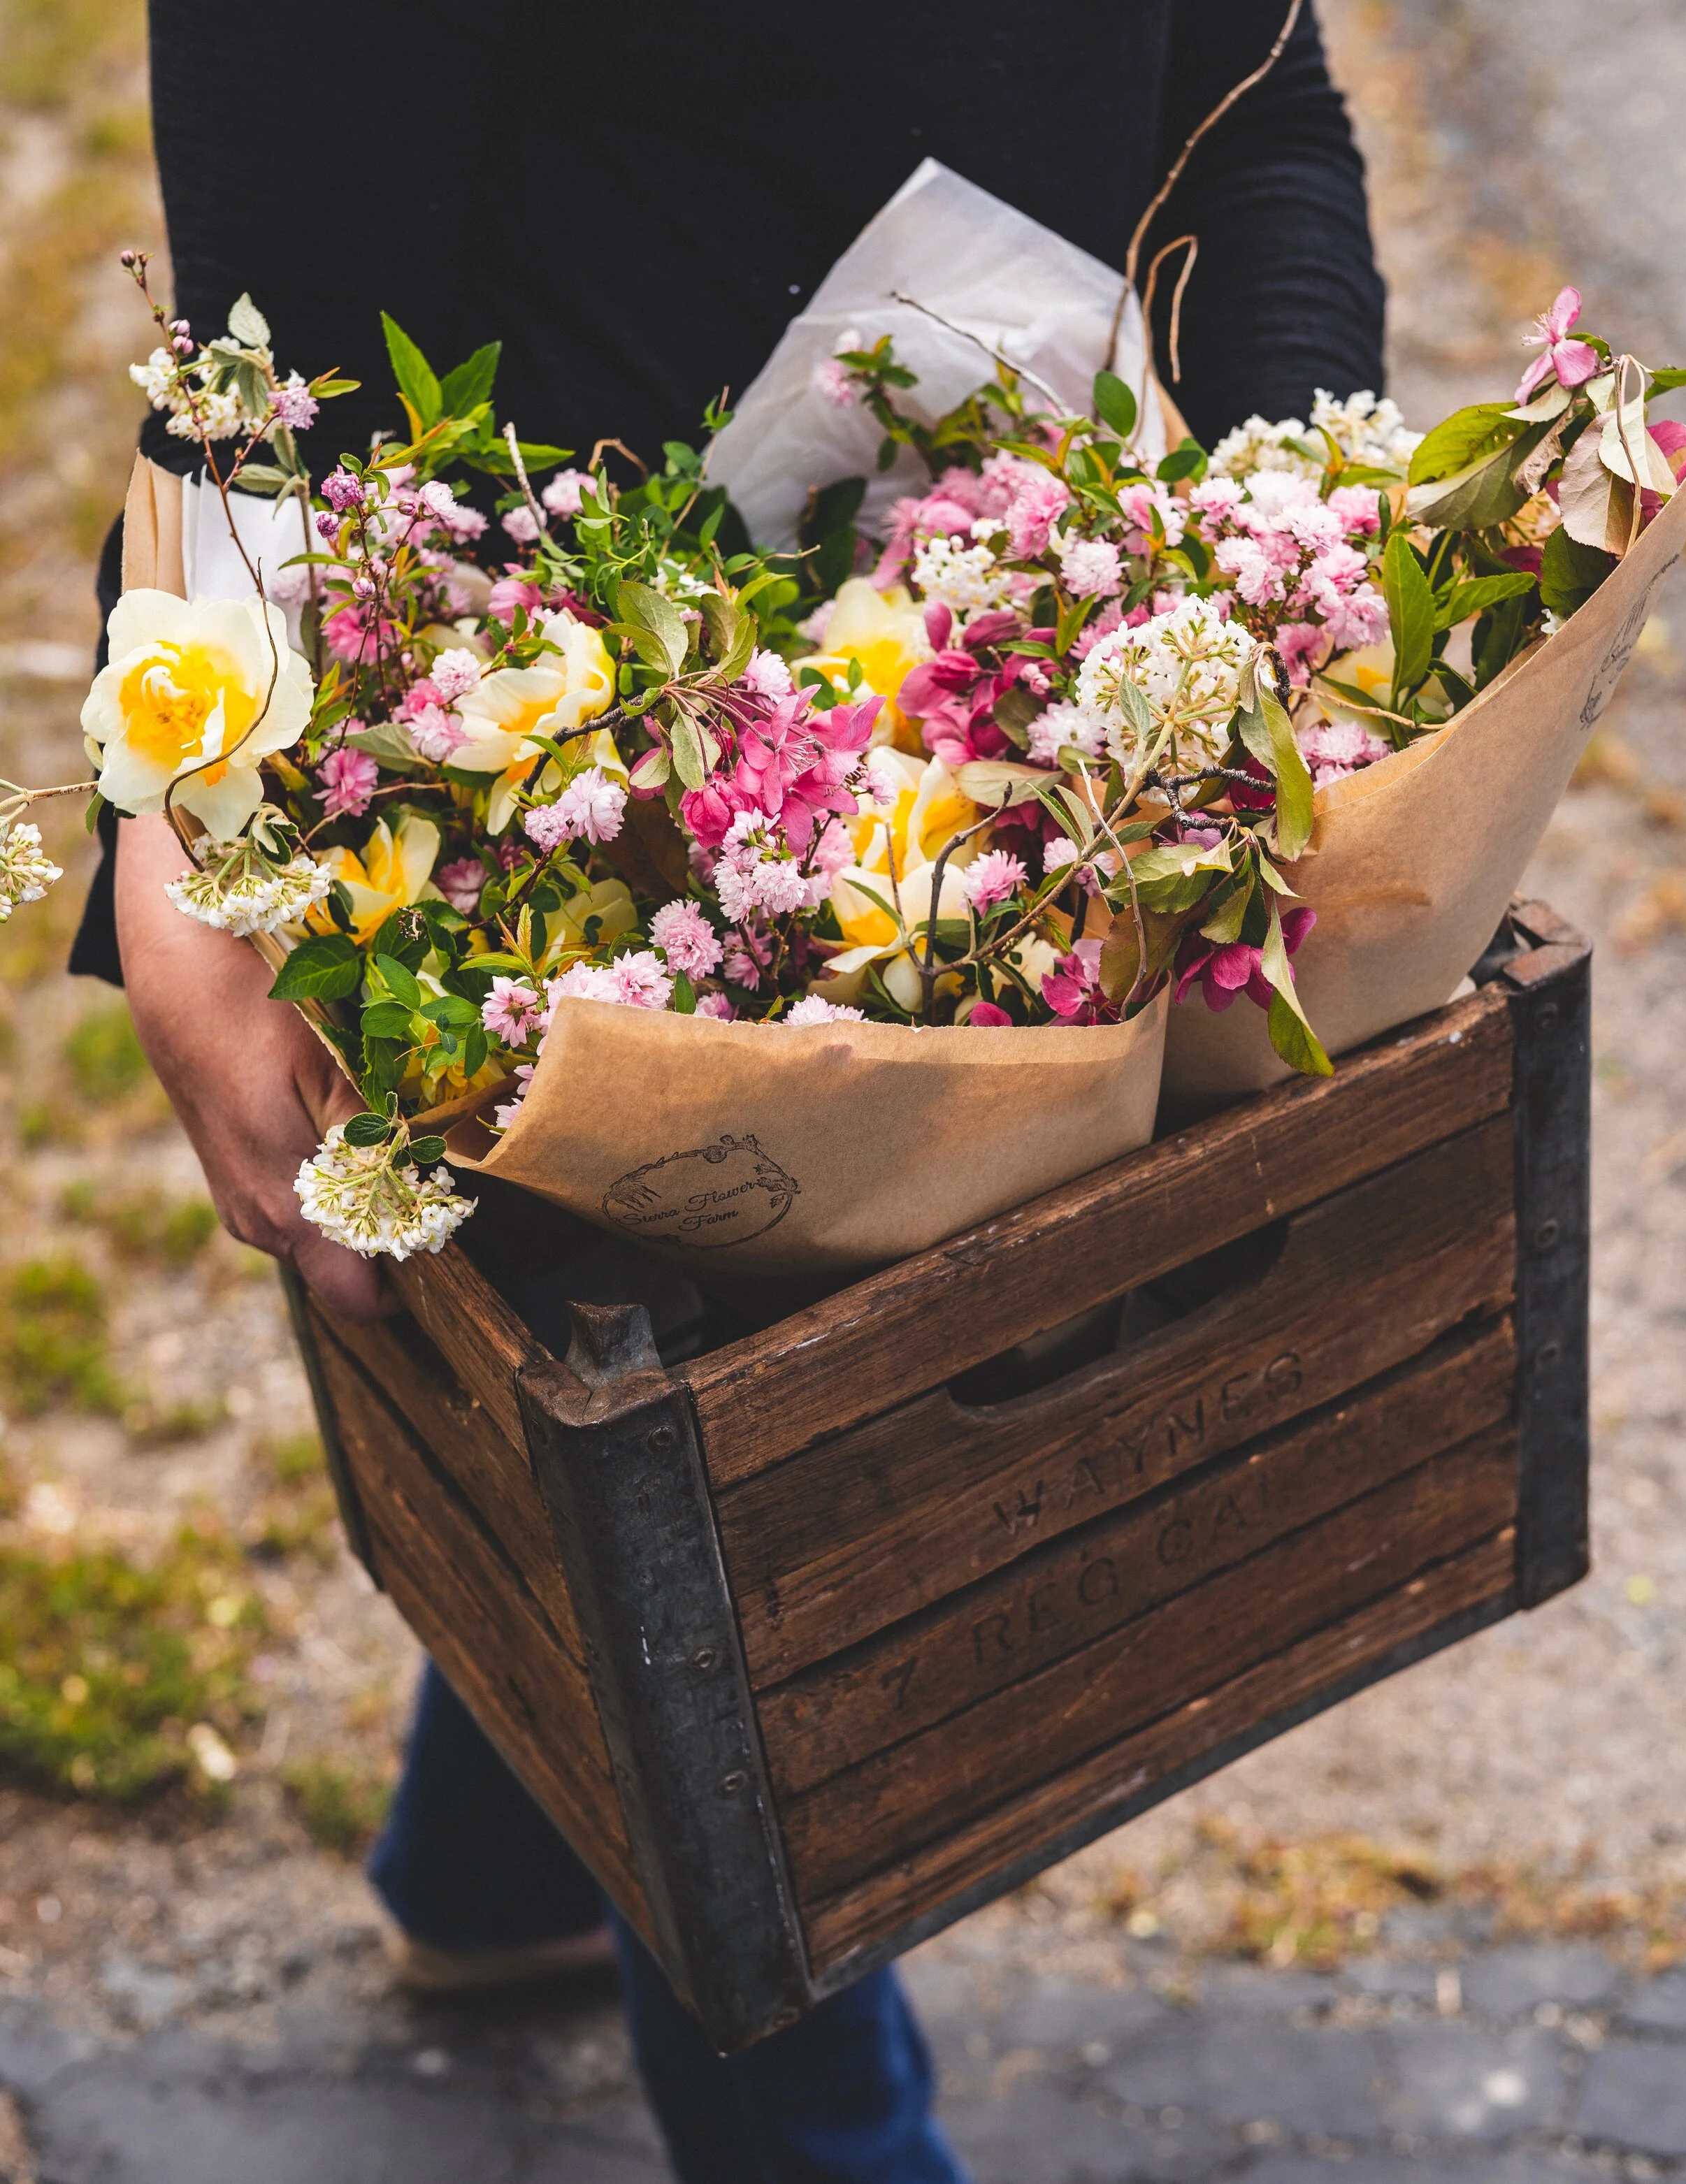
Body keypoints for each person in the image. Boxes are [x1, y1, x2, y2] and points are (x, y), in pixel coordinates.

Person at [78, 6, 1385, 2176]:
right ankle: (818, 2130)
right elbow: (272, 355)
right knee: (714, 1444)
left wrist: (1293, 550)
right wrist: (183, 824)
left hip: (974, 694)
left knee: (662, 1462)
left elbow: (1250, 125)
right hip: (573, 786)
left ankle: (490, 1864)